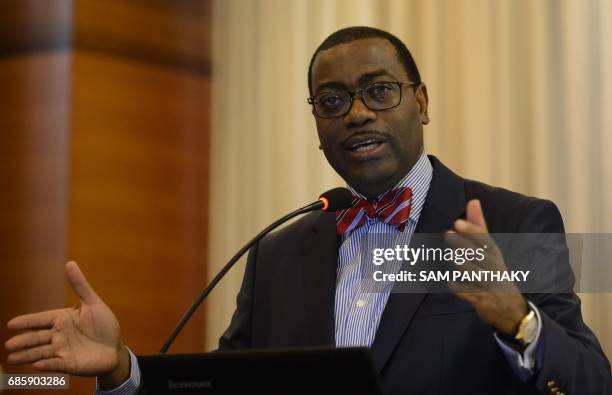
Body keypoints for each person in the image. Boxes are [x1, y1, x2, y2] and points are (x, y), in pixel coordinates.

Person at [5, 26, 611, 395]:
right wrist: (120, 368)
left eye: (379, 90)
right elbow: (226, 386)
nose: (357, 113)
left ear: (421, 102)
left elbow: (589, 382)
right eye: (332, 100)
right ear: (317, 123)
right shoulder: (278, 252)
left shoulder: (510, 223)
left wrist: (519, 322)